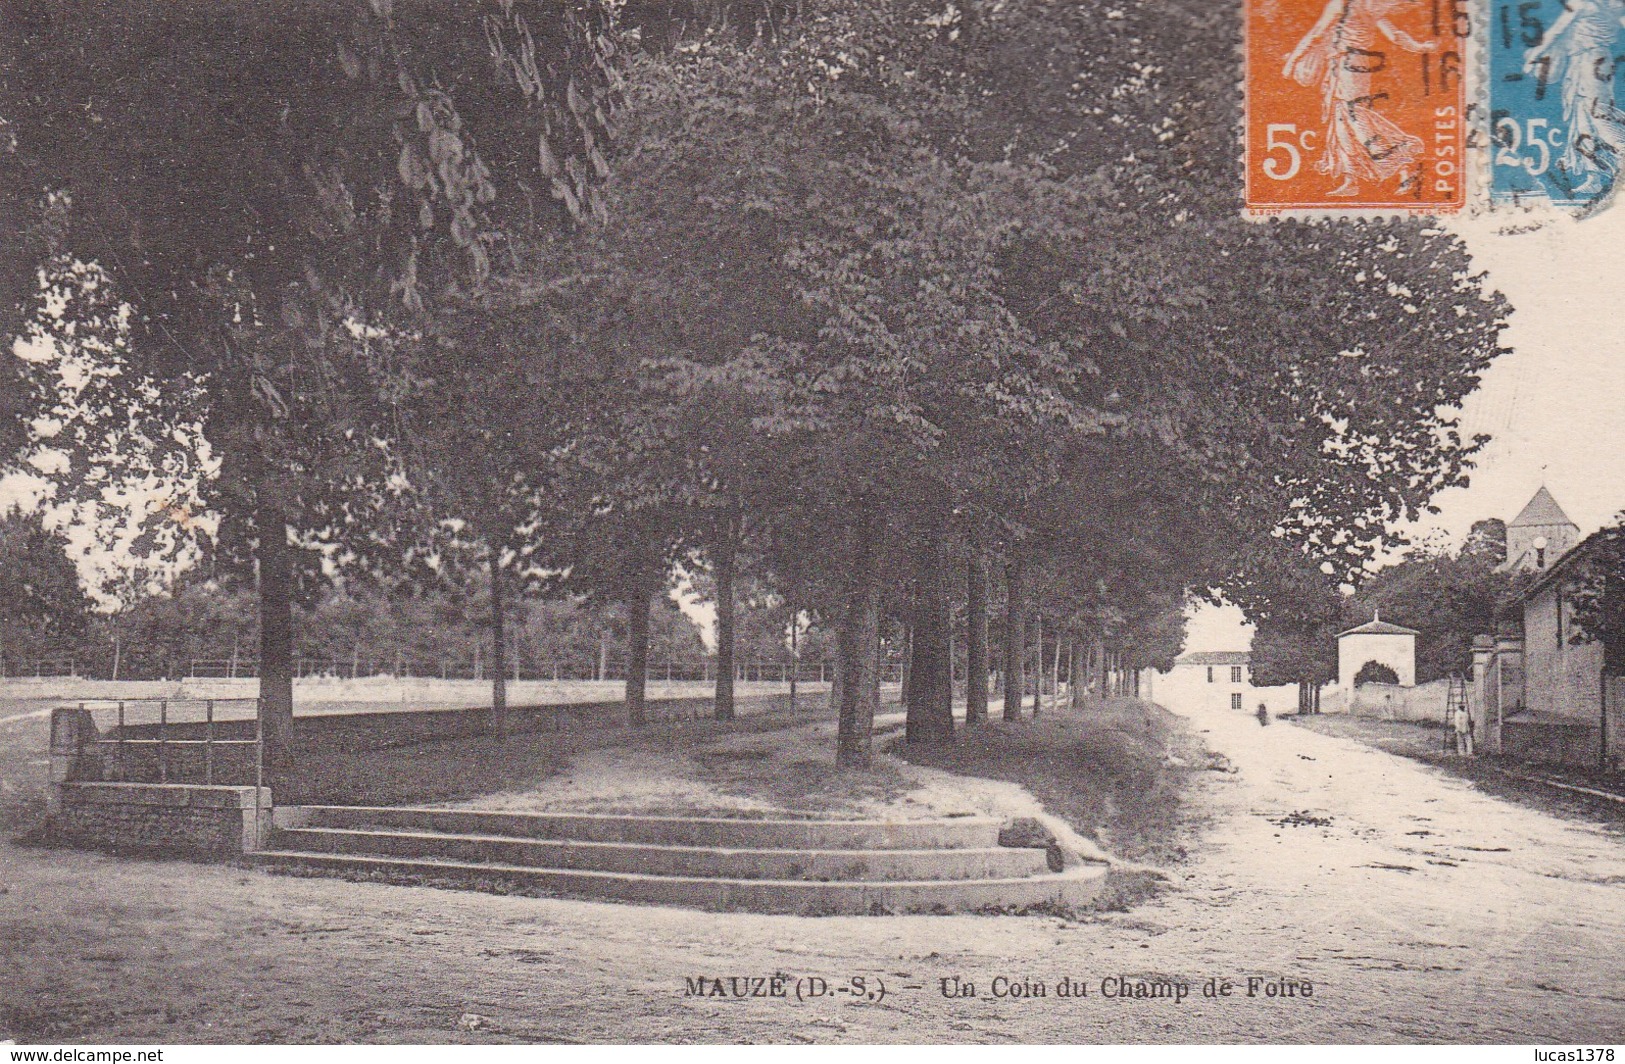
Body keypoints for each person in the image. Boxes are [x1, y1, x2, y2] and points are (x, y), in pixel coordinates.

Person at [1283, 0, 1438, 197]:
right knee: (1342, 118)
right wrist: (1421, 47)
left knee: (1354, 117)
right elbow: (1396, 36)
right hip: (1358, 64)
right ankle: (1351, 179)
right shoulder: (1369, 6)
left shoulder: (1340, 4)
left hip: (1346, 64)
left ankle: (1402, 162)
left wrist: (1291, 62)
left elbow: (1316, 33)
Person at [1523, 0, 1625, 195]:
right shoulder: (1615, 6)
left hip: (1589, 61)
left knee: (1597, 115)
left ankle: (1621, 146)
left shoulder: (1582, 4)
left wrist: (1533, 56)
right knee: (1583, 120)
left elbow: (1555, 32)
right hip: (1596, 61)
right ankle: (1594, 177)